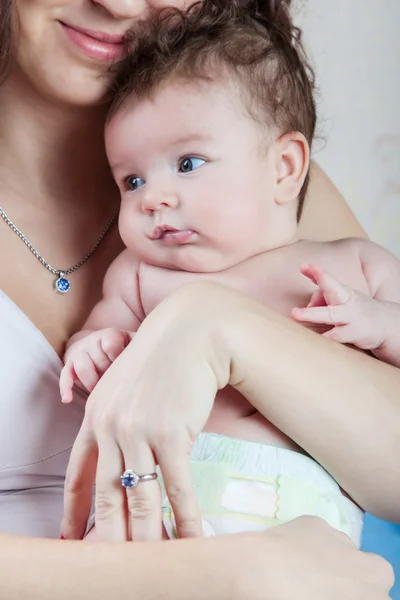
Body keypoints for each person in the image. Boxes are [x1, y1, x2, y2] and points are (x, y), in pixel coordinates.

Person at [0, 0, 396, 597]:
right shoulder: (139, 273)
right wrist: (216, 576)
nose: (121, 3)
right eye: (131, 181)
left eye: (187, 163)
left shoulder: (278, 197)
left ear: (285, 166)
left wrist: (222, 326)